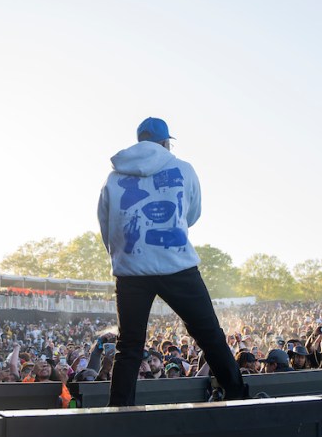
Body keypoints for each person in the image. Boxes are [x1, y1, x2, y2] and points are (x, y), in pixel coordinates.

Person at [98, 117, 246, 406]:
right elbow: (192, 213)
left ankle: (119, 409)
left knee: (129, 345)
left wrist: (125, 257)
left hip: (131, 270)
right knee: (209, 334)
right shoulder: (184, 168)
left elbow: (106, 223)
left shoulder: (113, 178)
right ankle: (238, 396)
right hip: (176, 264)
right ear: (166, 142)